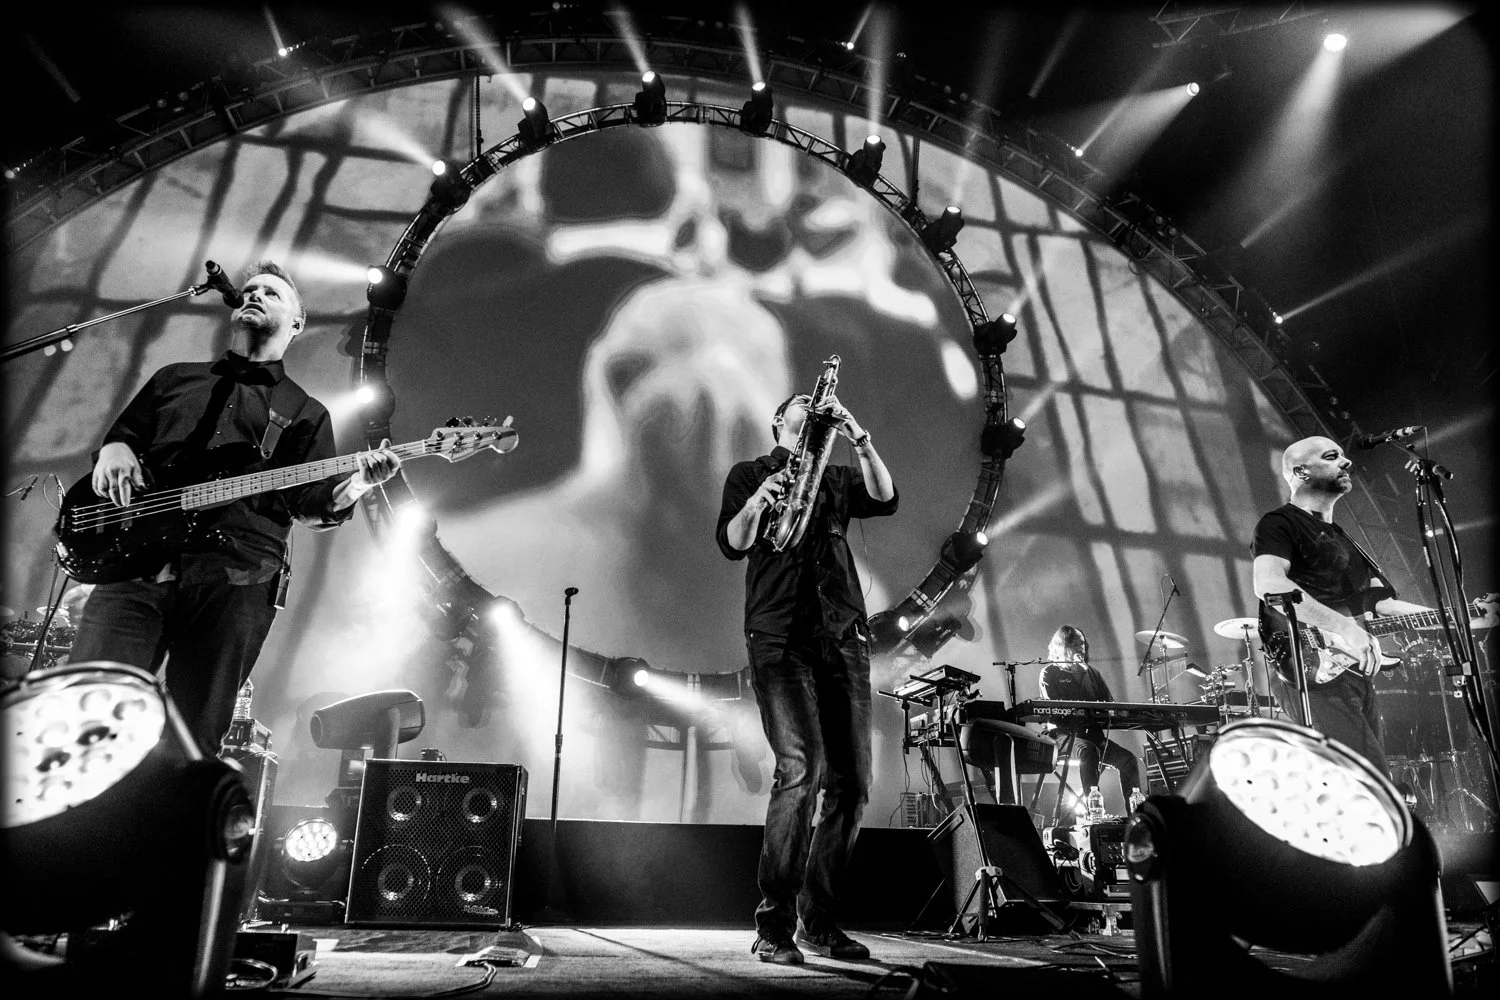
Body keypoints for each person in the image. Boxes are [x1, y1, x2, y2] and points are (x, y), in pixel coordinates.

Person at [68, 261, 400, 754]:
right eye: (249, 290)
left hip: (235, 580)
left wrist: (354, 485)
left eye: (270, 292)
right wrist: (114, 449)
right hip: (135, 567)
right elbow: (125, 440)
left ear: (296, 323)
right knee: (89, 717)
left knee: (192, 736)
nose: (254, 295)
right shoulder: (173, 379)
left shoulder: (305, 412)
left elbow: (310, 504)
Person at [716, 390, 897, 965]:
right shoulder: (749, 473)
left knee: (854, 782)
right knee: (802, 767)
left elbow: (885, 497)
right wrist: (759, 502)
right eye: (806, 404)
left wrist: (858, 433)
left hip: (842, 636)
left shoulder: (839, 477)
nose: (816, 408)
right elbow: (732, 542)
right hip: (777, 638)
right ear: (779, 420)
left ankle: (817, 922)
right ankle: (773, 925)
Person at [1250, 436, 1438, 777]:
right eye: (1331, 456)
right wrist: (1344, 627)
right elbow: (1269, 585)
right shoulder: (1280, 524)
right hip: (1307, 668)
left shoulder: (1341, 536)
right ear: (1301, 471)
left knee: (1370, 779)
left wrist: (1457, 619)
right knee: (1367, 782)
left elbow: (1381, 605)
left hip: (1353, 671)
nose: (1346, 462)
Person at [1037, 624, 1142, 810]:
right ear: (1063, 646)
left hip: (1093, 736)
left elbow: (1110, 705)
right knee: (1088, 751)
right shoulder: (1050, 673)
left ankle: (1136, 815)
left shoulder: (1092, 673)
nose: (1082, 647)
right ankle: (1093, 810)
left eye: (1083, 643)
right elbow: (1055, 710)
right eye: (1076, 643)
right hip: (1062, 735)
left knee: (1128, 760)